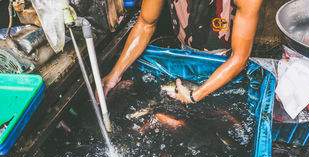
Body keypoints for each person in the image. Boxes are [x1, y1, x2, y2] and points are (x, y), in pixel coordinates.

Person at [100, 0, 263, 103]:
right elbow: (145, 23)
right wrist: (116, 73)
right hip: (185, 53)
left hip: (225, 61)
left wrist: (195, 96)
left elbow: (239, 58)